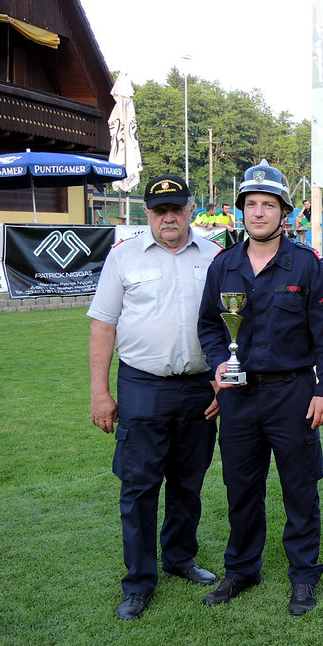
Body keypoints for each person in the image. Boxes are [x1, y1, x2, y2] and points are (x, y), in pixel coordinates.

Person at [197, 159, 323, 616]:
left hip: (292, 393)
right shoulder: (223, 265)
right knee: (241, 488)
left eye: (268, 204)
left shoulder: (307, 265)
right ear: (241, 210)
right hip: (238, 398)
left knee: (300, 487)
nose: (258, 212)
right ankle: (242, 570)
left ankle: (304, 575)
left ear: (285, 211)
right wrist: (219, 365)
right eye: (251, 204)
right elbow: (209, 326)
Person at [88, 174, 222, 620]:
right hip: (142, 385)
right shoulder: (123, 257)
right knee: (139, 487)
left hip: (200, 387)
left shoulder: (215, 256)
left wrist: (222, 380)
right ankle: (139, 581)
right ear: (147, 213)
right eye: (159, 210)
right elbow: (103, 325)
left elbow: (232, 323)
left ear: (191, 210)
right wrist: (100, 392)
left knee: (189, 481)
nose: (169, 218)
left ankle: (180, 558)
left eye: (176, 209)